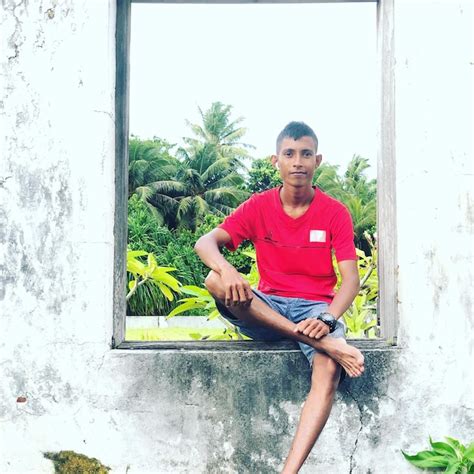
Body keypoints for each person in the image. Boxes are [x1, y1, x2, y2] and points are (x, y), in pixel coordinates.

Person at [194, 121, 365, 473]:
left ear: (317, 160)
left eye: (305, 154)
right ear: (276, 161)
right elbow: (205, 243)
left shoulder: (335, 213)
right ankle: (328, 344)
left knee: (329, 368)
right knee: (214, 279)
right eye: (289, 154)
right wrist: (229, 271)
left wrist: (328, 321)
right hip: (266, 308)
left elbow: (350, 280)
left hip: (315, 310)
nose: (297, 162)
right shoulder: (259, 206)